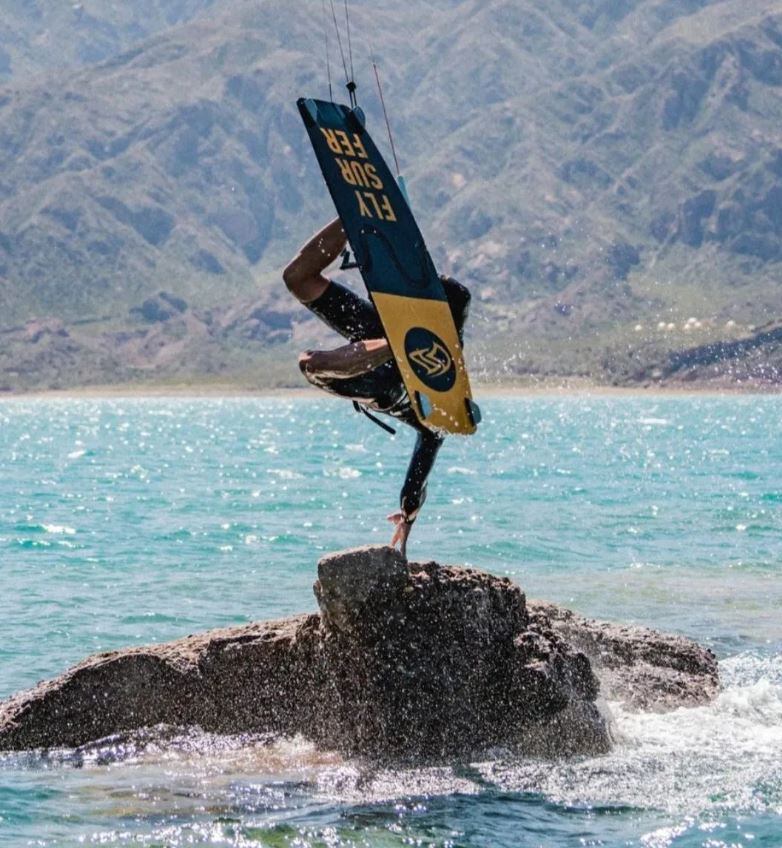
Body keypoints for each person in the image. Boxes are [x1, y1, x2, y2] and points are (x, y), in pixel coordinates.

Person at [282, 217, 470, 556]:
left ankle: (401, 343)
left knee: (310, 361)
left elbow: (421, 468)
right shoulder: (435, 411)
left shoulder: (438, 402)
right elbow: (418, 476)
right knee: (297, 280)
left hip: (379, 373)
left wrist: (409, 510)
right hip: (385, 332)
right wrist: (355, 213)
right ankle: (350, 220)